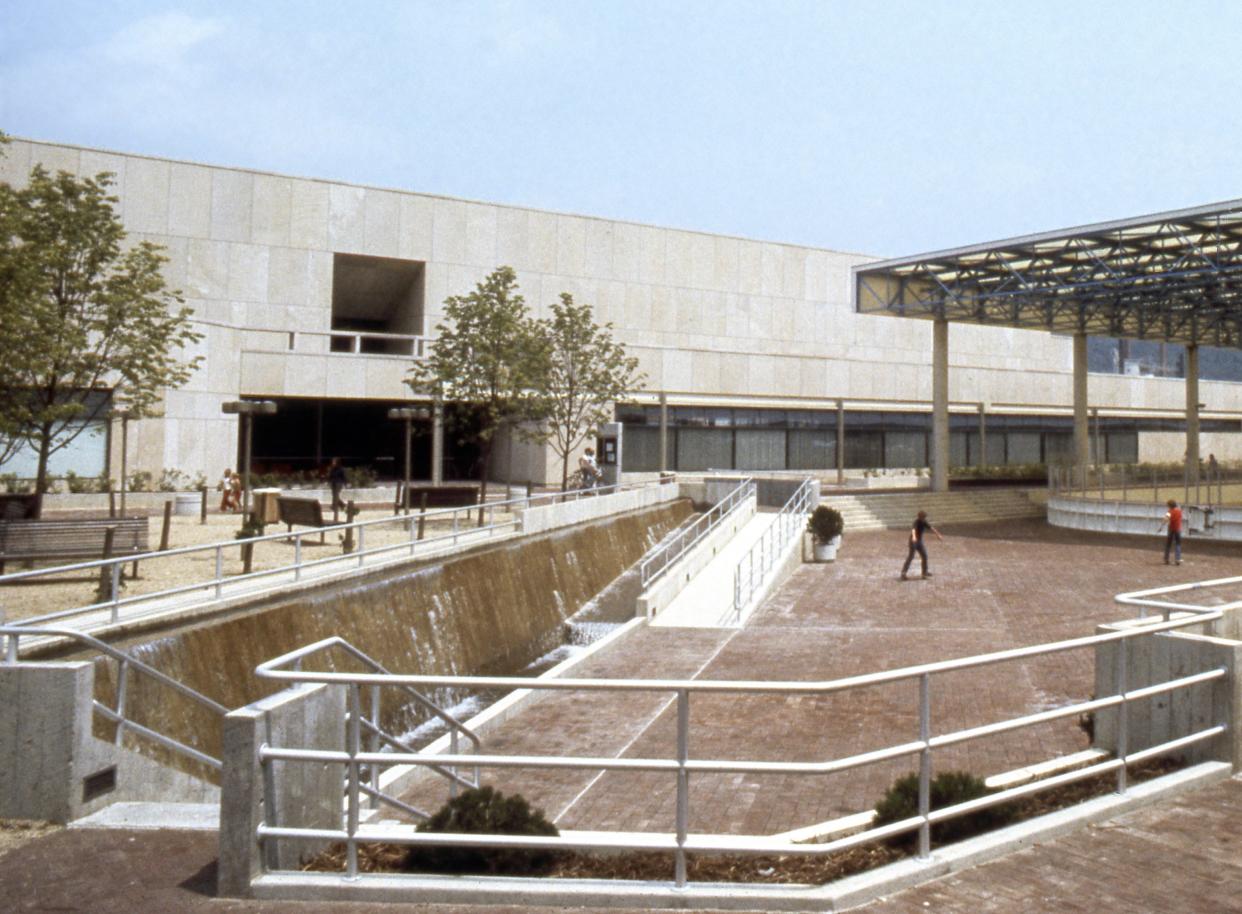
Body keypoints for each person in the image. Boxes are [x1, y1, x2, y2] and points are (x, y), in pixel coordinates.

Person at [900, 510, 943, 581]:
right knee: (911, 557)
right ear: (920, 517)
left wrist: (938, 534)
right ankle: (903, 573)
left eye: (924, 518)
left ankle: (924, 573)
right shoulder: (916, 522)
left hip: (919, 542)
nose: (924, 519)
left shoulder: (924, 522)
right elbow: (913, 530)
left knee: (924, 555)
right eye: (923, 517)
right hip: (913, 542)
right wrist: (914, 537)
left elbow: (931, 528)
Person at [1159, 499, 1183, 565]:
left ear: (1170, 506)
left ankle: (1166, 559)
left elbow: (1165, 519)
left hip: (1171, 529)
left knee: (1168, 544)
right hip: (1178, 529)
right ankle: (1177, 559)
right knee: (1178, 544)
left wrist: (1161, 527)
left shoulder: (1169, 511)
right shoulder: (1179, 511)